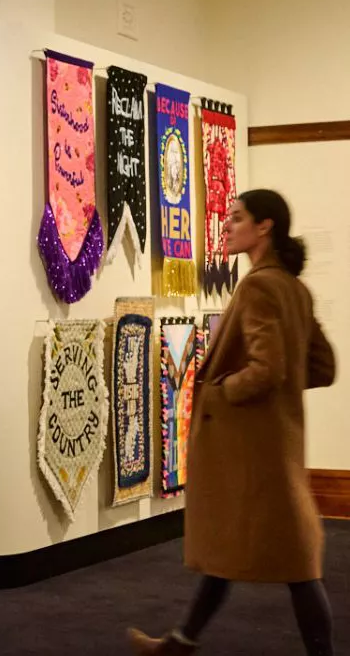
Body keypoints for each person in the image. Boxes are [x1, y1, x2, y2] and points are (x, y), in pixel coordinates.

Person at [129, 189, 337, 655]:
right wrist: (278, 387)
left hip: (250, 448)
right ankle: (182, 640)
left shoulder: (260, 285)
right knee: (236, 550)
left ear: (265, 227)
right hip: (272, 444)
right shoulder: (293, 287)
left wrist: (221, 392)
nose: (226, 226)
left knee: (296, 565)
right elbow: (322, 367)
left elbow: (268, 368)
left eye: (237, 218)